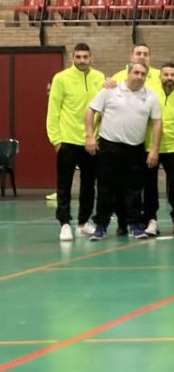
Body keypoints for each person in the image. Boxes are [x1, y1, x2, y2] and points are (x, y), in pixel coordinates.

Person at [85, 62, 162, 240]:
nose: (139, 77)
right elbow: (90, 111)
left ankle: (134, 224)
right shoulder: (110, 90)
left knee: (133, 190)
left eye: (143, 74)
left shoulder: (151, 95)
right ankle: (101, 226)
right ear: (128, 73)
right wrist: (89, 136)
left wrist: (154, 149)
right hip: (109, 147)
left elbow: (157, 123)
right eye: (136, 72)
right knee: (105, 189)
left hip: (135, 148)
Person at [48, 43, 105, 241]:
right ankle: (64, 223)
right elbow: (53, 110)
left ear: (91, 58)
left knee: (88, 185)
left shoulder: (99, 77)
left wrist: (97, 137)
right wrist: (56, 140)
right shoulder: (61, 78)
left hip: (91, 142)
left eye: (85, 57)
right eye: (78, 57)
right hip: (67, 140)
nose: (82, 60)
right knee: (64, 185)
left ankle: (83, 222)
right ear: (73, 57)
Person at [146, 62, 174, 235]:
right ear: (160, 76)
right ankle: (151, 220)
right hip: (150, 147)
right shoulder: (150, 93)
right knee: (149, 186)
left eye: (172, 75)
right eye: (166, 75)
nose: (169, 78)